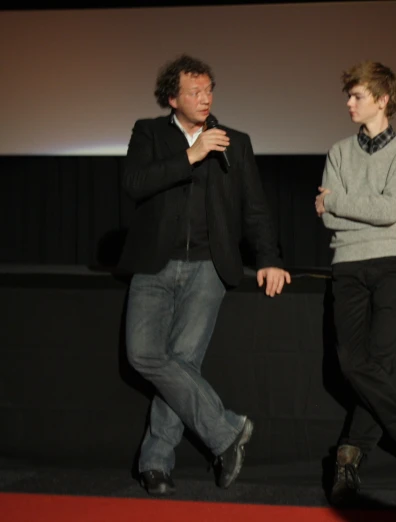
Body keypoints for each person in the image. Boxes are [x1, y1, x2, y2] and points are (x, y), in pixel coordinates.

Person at [120, 54, 290, 496]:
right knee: (143, 355)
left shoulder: (235, 142)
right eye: (194, 92)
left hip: (208, 268)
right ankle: (226, 431)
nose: (204, 98)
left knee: (183, 361)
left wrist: (269, 256)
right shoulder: (150, 133)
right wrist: (190, 155)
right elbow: (135, 182)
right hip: (154, 264)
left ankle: (156, 464)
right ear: (172, 98)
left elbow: (254, 207)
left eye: (209, 90)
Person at [315, 61, 396, 505]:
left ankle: (348, 460)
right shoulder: (338, 151)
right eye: (348, 96)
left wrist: (348, 205)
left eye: (357, 96)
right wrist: (388, 209)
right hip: (349, 263)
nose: (349, 104)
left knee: (377, 363)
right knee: (354, 364)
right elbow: (333, 214)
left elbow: (380, 209)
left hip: (393, 262)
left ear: (382, 99)